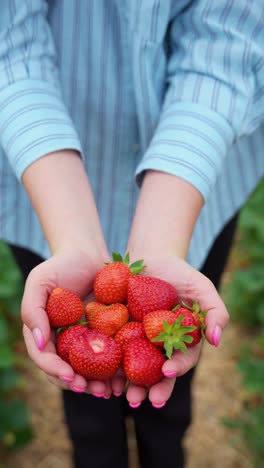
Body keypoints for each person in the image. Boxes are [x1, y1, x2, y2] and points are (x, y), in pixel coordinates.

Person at [0, 1, 263, 467]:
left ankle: (167, 448)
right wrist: (73, 241)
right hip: (46, 189)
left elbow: (227, 46)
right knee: (84, 396)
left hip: (196, 188)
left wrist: (162, 244)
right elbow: (10, 46)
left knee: (168, 385)